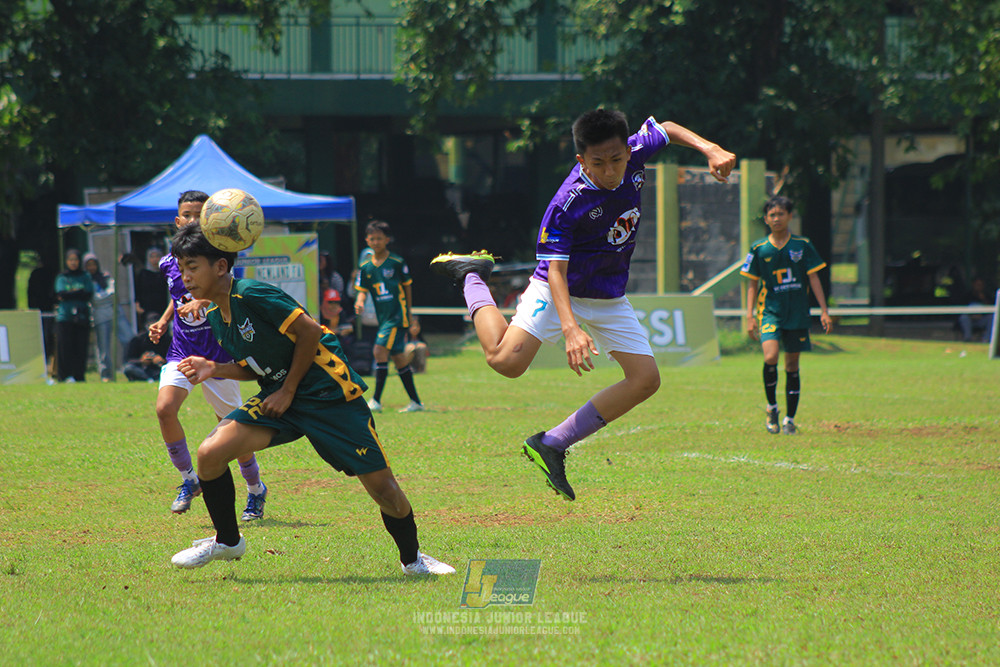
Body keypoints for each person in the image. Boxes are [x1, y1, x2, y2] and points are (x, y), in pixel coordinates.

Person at [431, 109, 736, 501]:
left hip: (608, 294)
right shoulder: (566, 203)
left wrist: (710, 149)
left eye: (616, 160)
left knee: (645, 380)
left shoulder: (635, 150)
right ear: (581, 160)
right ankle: (472, 275)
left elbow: (669, 128)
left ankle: (552, 443)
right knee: (505, 362)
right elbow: (556, 273)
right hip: (558, 289)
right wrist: (570, 327)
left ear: (628, 151)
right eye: (598, 163)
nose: (610, 171)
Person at [166, 222, 454, 575]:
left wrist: (288, 391)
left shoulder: (253, 294)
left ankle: (413, 560)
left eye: (192, 267)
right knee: (210, 453)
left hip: (328, 395)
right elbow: (255, 365)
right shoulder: (215, 313)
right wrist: (214, 368)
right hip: (280, 398)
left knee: (384, 490)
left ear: (221, 266)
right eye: (182, 268)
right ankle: (228, 541)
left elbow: (310, 331)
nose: (185, 277)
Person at [148, 190, 270, 521]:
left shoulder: (220, 257)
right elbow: (178, 296)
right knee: (164, 409)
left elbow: (229, 293)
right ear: (177, 221)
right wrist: (164, 320)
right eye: (186, 215)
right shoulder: (169, 262)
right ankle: (189, 480)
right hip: (183, 350)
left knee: (231, 431)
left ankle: (255, 488)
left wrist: (204, 302)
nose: (192, 220)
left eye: (198, 215)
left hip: (218, 355)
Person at [741, 195, 832, 435]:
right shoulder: (759, 248)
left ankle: (789, 419)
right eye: (772, 215)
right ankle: (772, 407)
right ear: (766, 219)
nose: (776, 218)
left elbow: (814, 277)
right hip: (770, 312)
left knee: (792, 364)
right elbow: (752, 283)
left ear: (790, 216)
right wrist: (749, 316)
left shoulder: (802, 245)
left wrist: (824, 311)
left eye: (781, 214)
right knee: (771, 356)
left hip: (797, 312)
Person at [354, 220, 424, 413]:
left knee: (379, 350)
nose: (376, 242)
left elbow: (407, 287)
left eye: (380, 238)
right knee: (399, 358)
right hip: (383, 318)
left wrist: (409, 313)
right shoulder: (366, 267)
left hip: (397, 316)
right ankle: (416, 402)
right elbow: (362, 290)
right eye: (372, 238)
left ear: (387, 240)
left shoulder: (396, 262)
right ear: (367, 240)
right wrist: (359, 302)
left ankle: (376, 400)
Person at [54, 249, 94, 383]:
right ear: (66, 261)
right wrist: (78, 292)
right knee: (65, 347)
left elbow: (88, 293)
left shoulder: (85, 276)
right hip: (65, 318)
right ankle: (64, 376)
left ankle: (79, 376)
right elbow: (61, 293)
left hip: (81, 317)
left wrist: (70, 293)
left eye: (75, 260)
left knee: (80, 347)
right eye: (70, 260)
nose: (73, 263)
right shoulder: (62, 277)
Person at [83, 253, 115, 382]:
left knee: (124, 339)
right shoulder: (85, 279)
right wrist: (100, 299)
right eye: (88, 265)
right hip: (95, 316)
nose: (91, 267)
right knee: (101, 347)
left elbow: (111, 294)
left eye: (93, 264)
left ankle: (116, 371)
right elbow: (93, 298)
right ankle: (104, 373)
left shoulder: (105, 277)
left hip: (110, 314)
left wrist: (99, 299)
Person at [123, 314, 169, 382]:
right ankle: (149, 379)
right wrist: (142, 360)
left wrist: (162, 360)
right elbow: (128, 360)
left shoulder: (168, 340)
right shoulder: (137, 339)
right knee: (129, 368)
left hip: (160, 369)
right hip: (143, 369)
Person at [135, 246, 169, 325]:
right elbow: (138, 290)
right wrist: (137, 305)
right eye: (152, 257)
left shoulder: (165, 273)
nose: (155, 259)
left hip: (163, 306)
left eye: (157, 256)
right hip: (148, 307)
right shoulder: (144, 274)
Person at [957, 276, 994, 343]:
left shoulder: (987, 296)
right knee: (963, 317)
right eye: (977, 285)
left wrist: (984, 299)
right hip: (970, 319)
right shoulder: (967, 296)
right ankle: (968, 338)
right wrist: (971, 315)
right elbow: (961, 309)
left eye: (980, 285)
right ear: (973, 285)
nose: (978, 287)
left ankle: (986, 339)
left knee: (991, 317)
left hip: (981, 319)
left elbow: (992, 308)